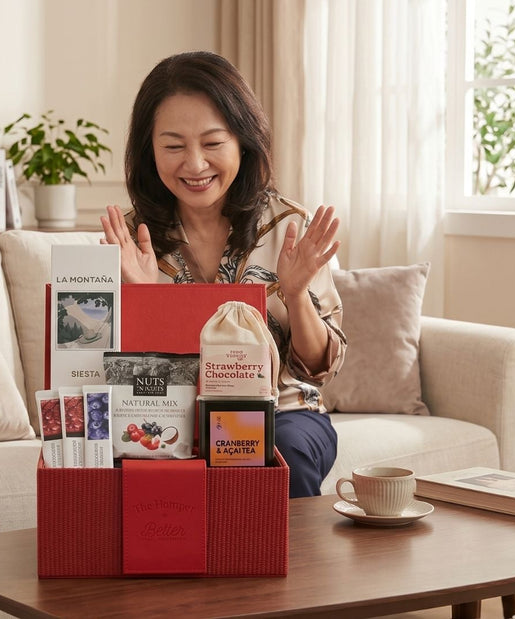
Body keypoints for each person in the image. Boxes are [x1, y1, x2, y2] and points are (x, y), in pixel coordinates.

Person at [100, 51, 347, 498]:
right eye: (174, 146)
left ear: (243, 142)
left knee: (282, 448)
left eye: (213, 143)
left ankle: (291, 566)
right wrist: (143, 296)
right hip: (172, 417)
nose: (195, 165)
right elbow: (124, 380)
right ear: (149, 150)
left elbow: (317, 371)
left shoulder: (290, 228)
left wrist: (295, 295)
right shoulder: (130, 242)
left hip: (283, 416)